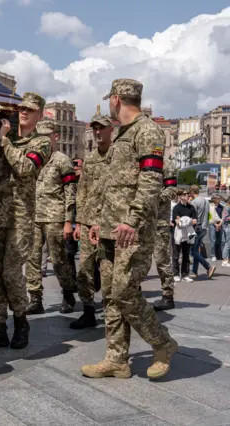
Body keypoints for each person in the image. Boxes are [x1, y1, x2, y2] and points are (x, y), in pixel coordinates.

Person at [84, 78, 177, 380]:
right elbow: (111, 187)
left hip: (132, 231)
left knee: (125, 291)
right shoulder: (122, 134)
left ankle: (162, 343)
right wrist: (99, 220)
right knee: (110, 295)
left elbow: (151, 180)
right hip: (111, 229)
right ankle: (116, 359)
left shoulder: (147, 130)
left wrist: (133, 220)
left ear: (115, 99)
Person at [0, 92, 50, 352]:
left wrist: (5, 141)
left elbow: (26, 169)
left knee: (10, 274)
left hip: (20, 218)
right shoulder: (5, 139)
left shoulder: (41, 143)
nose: (24, 112)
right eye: (21, 109)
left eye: (30, 109)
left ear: (40, 114)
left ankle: (20, 321)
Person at [24, 119, 78, 315]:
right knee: (32, 257)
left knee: (58, 259)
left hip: (55, 216)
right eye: (40, 137)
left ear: (55, 137)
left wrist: (68, 221)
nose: (43, 141)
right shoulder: (32, 159)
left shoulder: (62, 160)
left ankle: (68, 292)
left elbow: (70, 192)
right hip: (33, 216)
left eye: (47, 137)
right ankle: (35, 297)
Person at [71, 112, 112, 329]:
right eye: (94, 128)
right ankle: (88, 311)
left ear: (110, 129)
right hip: (88, 223)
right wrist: (78, 222)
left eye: (101, 128)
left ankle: (113, 312)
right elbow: (83, 189)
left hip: (109, 223)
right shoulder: (92, 158)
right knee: (85, 268)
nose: (97, 132)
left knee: (109, 270)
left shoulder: (118, 155)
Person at [152, 158, 179, 311]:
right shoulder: (140, 161)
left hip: (159, 223)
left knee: (162, 261)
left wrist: (153, 198)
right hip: (141, 222)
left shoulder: (165, 164)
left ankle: (168, 296)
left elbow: (172, 190)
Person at [189, 185, 216, 279]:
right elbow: (209, 214)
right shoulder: (206, 201)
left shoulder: (194, 202)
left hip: (196, 228)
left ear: (192, 192)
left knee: (193, 252)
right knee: (196, 250)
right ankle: (194, 271)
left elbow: (191, 216)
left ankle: (209, 266)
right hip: (204, 228)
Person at [171, 189, 198, 283]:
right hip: (178, 233)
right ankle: (175, 274)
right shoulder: (176, 208)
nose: (187, 196)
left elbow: (195, 220)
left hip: (189, 233)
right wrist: (187, 221)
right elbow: (178, 222)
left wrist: (184, 220)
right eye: (185, 194)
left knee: (186, 255)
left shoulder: (191, 207)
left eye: (188, 194)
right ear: (180, 196)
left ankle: (185, 274)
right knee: (176, 254)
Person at [209, 195, 223, 261]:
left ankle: (219, 255)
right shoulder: (210, 206)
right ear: (214, 199)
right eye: (218, 198)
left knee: (219, 240)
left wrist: (219, 224)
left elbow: (223, 216)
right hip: (212, 224)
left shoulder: (221, 207)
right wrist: (215, 224)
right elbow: (209, 216)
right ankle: (213, 255)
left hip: (220, 224)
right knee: (213, 240)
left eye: (220, 198)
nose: (220, 199)